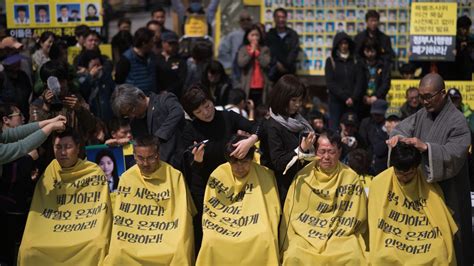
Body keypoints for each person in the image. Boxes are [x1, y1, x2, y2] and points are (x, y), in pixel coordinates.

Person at [387, 73, 472, 265]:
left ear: (442, 93)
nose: (424, 102)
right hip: (423, 192)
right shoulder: (421, 114)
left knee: (453, 238)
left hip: (450, 191)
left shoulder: (457, 120)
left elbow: (457, 152)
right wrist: (397, 138)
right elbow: (401, 129)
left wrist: (427, 147)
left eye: (428, 97)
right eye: (421, 96)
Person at [180, 85, 261, 250]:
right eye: (199, 111)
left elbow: (259, 126)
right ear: (192, 114)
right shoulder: (190, 129)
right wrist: (198, 160)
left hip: (233, 181)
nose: (206, 112)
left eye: (207, 106)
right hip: (205, 185)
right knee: (207, 232)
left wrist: (251, 140)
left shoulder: (228, 117)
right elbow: (191, 167)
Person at [18, 128, 112, 265]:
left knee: (98, 244)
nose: (63, 153)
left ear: (78, 147)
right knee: (28, 249)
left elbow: (101, 210)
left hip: (84, 229)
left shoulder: (93, 171)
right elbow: (40, 209)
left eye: (68, 147)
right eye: (58, 147)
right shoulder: (50, 171)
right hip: (52, 229)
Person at [103, 135, 195, 265]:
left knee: (179, 250)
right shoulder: (126, 178)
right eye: (140, 158)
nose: (145, 163)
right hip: (134, 236)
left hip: (166, 235)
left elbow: (183, 215)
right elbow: (121, 217)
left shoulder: (174, 176)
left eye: (150, 158)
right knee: (117, 254)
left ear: (158, 154)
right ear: (134, 155)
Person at [279, 131, 368, 265]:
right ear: (315, 152)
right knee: (293, 255)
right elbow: (291, 213)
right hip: (306, 236)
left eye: (331, 152)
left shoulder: (351, 178)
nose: (326, 157)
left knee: (354, 256)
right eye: (322, 151)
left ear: (339, 152)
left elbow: (359, 219)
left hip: (340, 237)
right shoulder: (303, 176)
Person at [196, 135, 281, 265]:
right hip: (223, 224)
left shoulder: (265, 174)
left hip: (256, 223)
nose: (239, 167)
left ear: (252, 159)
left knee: (265, 236)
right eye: (235, 162)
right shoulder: (218, 173)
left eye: (245, 161)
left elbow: (272, 209)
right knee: (210, 240)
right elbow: (210, 210)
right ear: (228, 160)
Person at [369, 143, 457, 264]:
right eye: (399, 173)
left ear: (416, 167)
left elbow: (440, 218)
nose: (404, 178)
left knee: (439, 252)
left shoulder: (428, 184)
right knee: (380, 255)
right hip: (391, 236)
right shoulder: (380, 182)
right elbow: (375, 220)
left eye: (409, 173)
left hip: (423, 236)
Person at [260, 74, 316, 203]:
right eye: (293, 100)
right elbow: (278, 162)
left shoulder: (298, 120)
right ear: (282, 98)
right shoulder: (272, 125)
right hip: (279, 190)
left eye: (300, 100)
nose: (297, 105)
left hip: (300, 185)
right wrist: (301, 150)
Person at [110, 84, 185, 169]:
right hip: (155, 168)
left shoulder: (163, 100)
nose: (132, 115)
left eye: (132, 110)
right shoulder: (135, 122)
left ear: (140, 96)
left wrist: (158, 137)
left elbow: (177, 112)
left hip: (179, 163)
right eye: (127, 115)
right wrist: (127, 143)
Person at [325, 32, 364, 130]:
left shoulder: (356, 61)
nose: (343, 46)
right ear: (337, 45)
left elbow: (360, 81)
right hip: (336, 102)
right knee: (335, 128)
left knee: (352, 128)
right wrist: (345, 97)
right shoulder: (331, 61)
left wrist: (353, 98)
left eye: (345, 43)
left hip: (353, 102)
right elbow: (330, 83)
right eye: (341, 43)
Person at [237, 24, 271, 107]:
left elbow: (266, 63)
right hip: (248, 84)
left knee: (261, 108)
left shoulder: (264, 49)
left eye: (257, 35)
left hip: (261, 85)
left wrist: (257, 53)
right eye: (252, 35)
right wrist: (251, 52)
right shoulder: (243, 49)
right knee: (248, 107)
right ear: (247, 37)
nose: (255, 38)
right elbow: (241, 63)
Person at [76, 49, 115, 121]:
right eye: (94, 66)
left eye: (99, 65)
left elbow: (114, 92)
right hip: (91, 118)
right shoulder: (81, 78)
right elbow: (82, 90)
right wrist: (90, 76)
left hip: (108, 117)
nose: (97, 68)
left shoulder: (106, 76)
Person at [115, 28, 157, 94]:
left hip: (150, 97)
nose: (153, 44)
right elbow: (119, 80)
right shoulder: (126, 59)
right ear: (144, 43)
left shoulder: (152, 56)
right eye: (151, 41)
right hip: (133, 99)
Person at [357, 38, 390, 119]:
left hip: (378, 101)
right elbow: (356, 83)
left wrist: (376, 96)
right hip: (362, 102)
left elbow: (386, 83)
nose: (370, 54)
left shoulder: (383, 65)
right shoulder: (359, 64)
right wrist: (362, 96)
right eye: (367, 51)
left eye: (372, 51)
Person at [217, 10, 253, 80]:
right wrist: (230, 66)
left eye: (248, 19)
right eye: (243, 20)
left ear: (251, 21)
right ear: (239, 22)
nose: (245, 22)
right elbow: (223, 51)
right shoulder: (233, 36)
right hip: (237, 74)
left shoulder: (256, 35)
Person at [267, 8, 300, 82]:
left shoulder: (292, 34)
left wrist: (285, 65)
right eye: (278, 17)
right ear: (274, 18)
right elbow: (268, 52)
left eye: (283, 17)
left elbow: (294, 51)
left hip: (289, 72)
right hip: (273, 73)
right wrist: (277, 64)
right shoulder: (270, 34)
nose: (281, 19)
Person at [359, 99, 388, 175]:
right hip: (368, 158)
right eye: (375, 114)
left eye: (379, 114)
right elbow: (362, 141)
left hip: (384, 160)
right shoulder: (366, 123)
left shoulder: (388, 124)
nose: (377, 117)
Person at [155, 31, 187, 98]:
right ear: (163, 43)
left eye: (174, 43)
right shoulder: (155, 58)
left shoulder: (181, 60)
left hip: (174, 96)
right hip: (157, 94)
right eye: (170, 43)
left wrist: (168, 91)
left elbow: (181, 79)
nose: (172, 46)